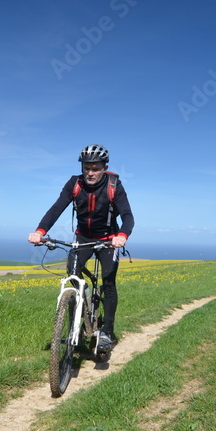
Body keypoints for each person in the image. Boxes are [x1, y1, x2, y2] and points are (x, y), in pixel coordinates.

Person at [28, 144, 134, 352]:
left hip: (108, 240)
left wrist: (122, 236)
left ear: (105, 167)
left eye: (95, 168)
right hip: (83, 237)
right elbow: (56, 208)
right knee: (73, 275)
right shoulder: (74, 184)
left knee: (109, 282)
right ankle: (78, 319)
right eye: (87, 168)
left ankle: (107, 332)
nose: (90, 173)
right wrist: (40, 231)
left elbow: (128, 216)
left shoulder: (114, 185)